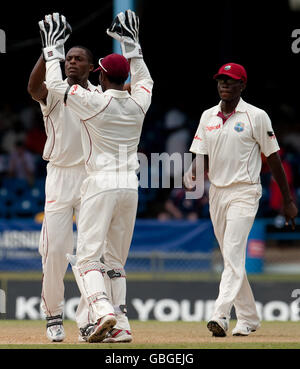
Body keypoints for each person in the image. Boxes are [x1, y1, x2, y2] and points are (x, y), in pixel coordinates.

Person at [43, 10, 153, 343]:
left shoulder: (92, 102)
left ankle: (102, 309)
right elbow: (146, 80)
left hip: (99, 185)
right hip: (130, 188)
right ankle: (119, 325)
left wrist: (53, 51)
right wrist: (134, 47)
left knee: (88, 257)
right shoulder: (139, 103)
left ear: (102, 78)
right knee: (116, 261)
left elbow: (55, 84)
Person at [184, 62, 298, 337]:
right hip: (217, 193)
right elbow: (202, 155)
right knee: (231, 259)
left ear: (242, 85)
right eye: (221, 80)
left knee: (233, 255)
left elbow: (273, 159)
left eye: (231, 81)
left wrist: (287, 200)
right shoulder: (207, 116)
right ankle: (248, 318)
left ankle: (220, 315)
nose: (224, 84)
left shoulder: (256, 116)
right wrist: (192, 175)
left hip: (246, 191)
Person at [27, 13, 100, 342]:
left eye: (78, 59)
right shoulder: (54, 93)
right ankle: (53, 315)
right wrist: (48, 51)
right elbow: (32, 88)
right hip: (58, 174)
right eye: (68, 58)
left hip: (90, 177)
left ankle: (88, 319)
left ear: (90, 66)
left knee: (89, 254)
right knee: (54, 250)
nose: (71, 62)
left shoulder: (99, 96)